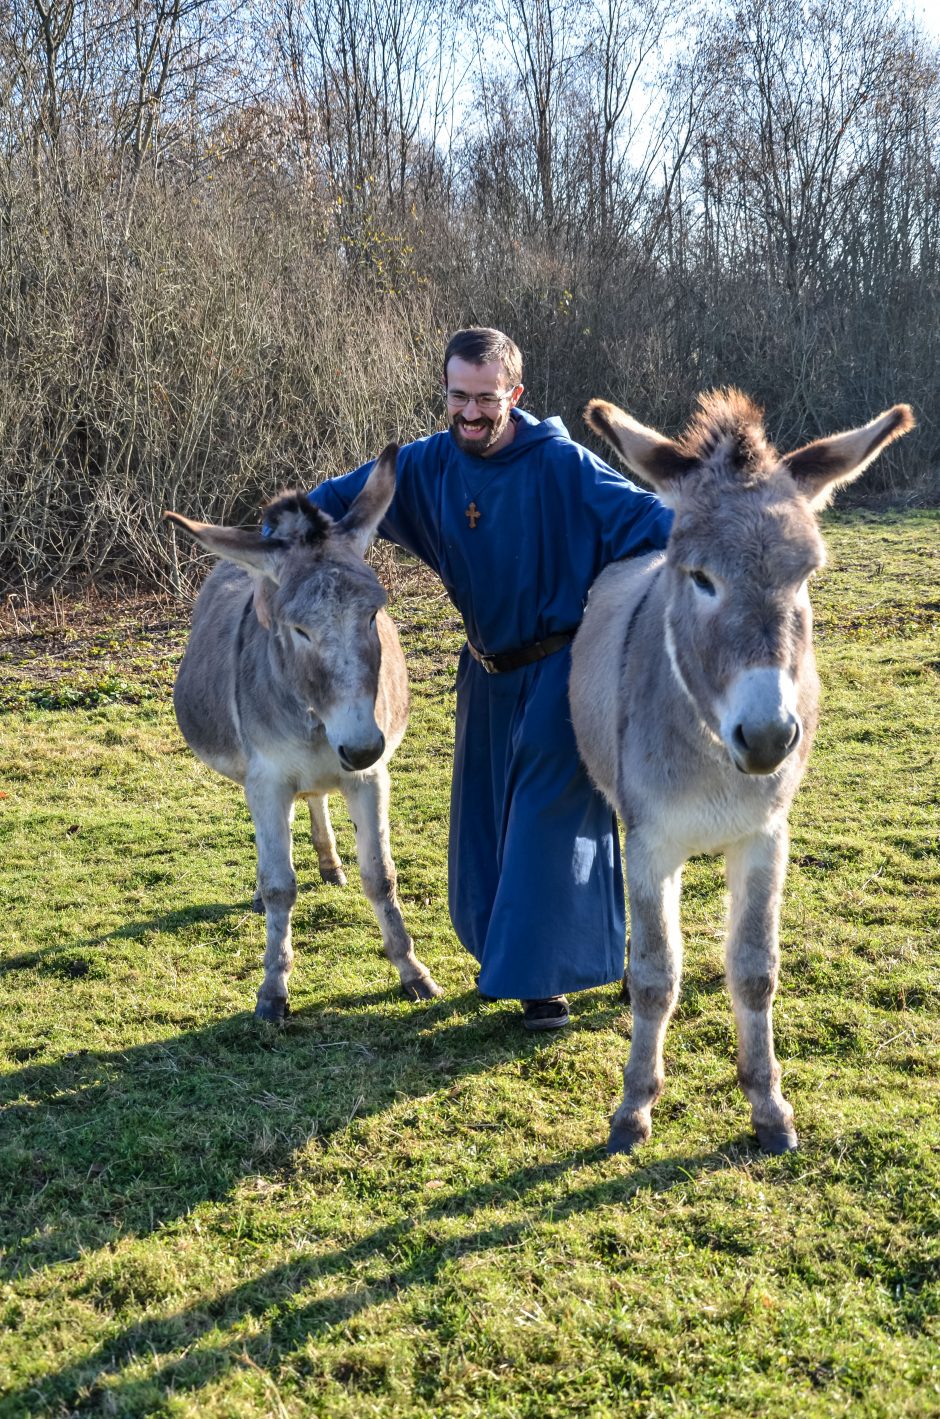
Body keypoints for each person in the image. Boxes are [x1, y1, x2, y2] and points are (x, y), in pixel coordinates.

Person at [302, 328, 673, 1029]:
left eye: (486, 399)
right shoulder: (426, 465)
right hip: (485, 668)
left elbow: (653, 521)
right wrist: (270, 546)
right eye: (458, 397)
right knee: (485, 827)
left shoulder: (562, 465)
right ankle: (574, 954)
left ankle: (544, 988)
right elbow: (330, 505)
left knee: (543, 822)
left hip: (563, 671)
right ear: (445, 391)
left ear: (515, 394)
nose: (470, 413)